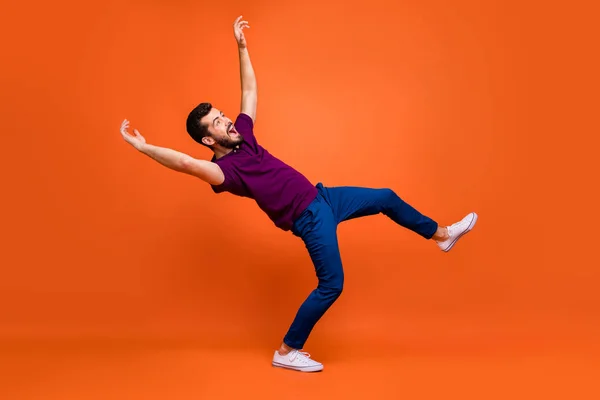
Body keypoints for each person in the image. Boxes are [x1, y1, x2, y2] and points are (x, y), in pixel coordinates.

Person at [119, 16, 478, 373]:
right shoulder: (223, 172)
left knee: (385, 196)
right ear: (209, 141)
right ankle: (288, 350)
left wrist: (241, 47)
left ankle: (441, 235)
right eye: (217, 122)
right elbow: (184, 162)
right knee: (332, 284)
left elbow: (249, 93)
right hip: (308, 218)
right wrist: (144, 148)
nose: (227, 120)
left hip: (323, 198)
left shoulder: (244, 136)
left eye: (222, 115)